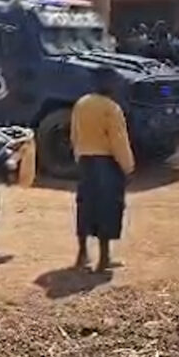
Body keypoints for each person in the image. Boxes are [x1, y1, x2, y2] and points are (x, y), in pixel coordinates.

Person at [69, 70, 135, 272]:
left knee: (85, 206)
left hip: (86, 160)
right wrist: (127, 166)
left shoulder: (81, 104)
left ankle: (82, 254)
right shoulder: (111, 108)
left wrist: (79, 155)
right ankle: (104, 258)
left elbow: (74, 134)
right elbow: (118, 140)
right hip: (107, 162)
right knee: (107, 208)